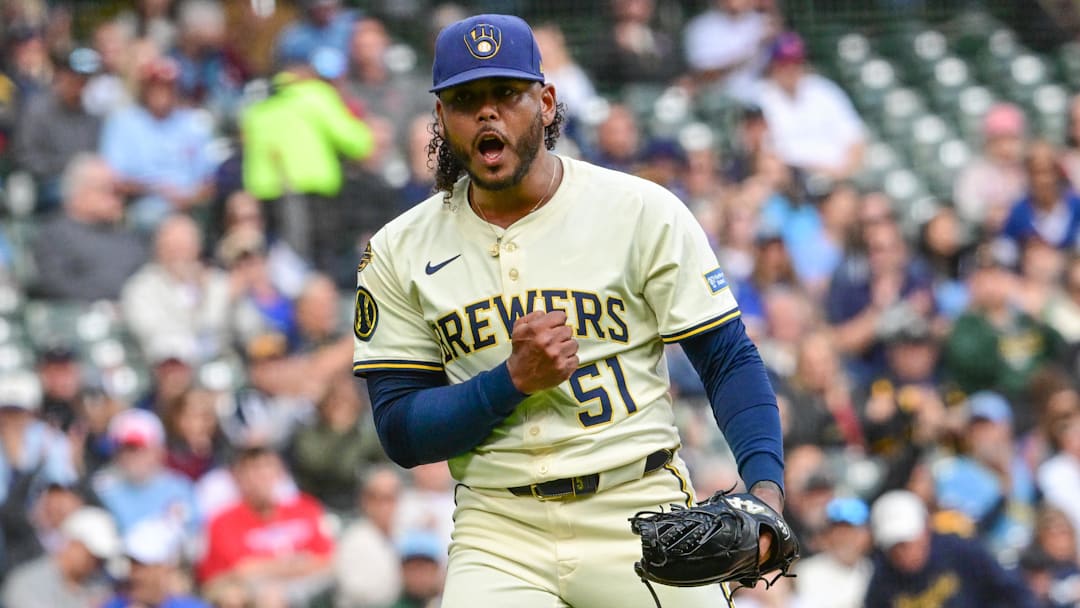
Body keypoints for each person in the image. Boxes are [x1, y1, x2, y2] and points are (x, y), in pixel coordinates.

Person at [353, 14, 785, 607]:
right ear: (441, 119)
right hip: (498, 532)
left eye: (506, 94)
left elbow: (728, 357)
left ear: (548, 102)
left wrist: (766, 491)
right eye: (464, 99)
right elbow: (400, 431)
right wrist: (509, 382)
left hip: (638, 513)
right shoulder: (398, 250)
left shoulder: (640, 211)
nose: (487, 113)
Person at [196, 445, 335, 608]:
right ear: (238, 477)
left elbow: (326, 559)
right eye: (254, 471)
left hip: (309, 583)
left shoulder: (306, 508)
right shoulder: (223, 521)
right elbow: (242, 570)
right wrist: (296, 563)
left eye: (268, 468)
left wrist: (275, 566)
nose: (262, 478)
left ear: (280, 473)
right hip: (253, 590)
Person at [864, 489, 1038, 608]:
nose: (903, 553)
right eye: (894, 546)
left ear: (925, 530)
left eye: (908, 542)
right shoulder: (881, 583)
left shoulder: (960, 551)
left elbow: (1013, 589)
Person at [32, 154, 147, 301]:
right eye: (109, 190)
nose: (119, 198)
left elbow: (146, 277)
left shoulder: (127, 236)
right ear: (79, 192)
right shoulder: (55, 235)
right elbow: (56, 286)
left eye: (120, 191)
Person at [754, 31, 866, 181]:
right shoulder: (759, 97)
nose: (790, 69)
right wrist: (817, 169)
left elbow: (856, 139)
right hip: (793, 180)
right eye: (784, 62)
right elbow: (765, 153)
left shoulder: (823, 90)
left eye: (796, 61)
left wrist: (844, 173)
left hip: (838, 178)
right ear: (773, 65)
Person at [12, 47, 102, 212]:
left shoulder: (91, 116)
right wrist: (69, 168)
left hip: (86, 186)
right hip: (45, 184)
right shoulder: (36, 109)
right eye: (74, 78)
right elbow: (24, 158)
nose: (79, 85)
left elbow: (97, 155)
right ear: (61, 75)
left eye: (84, 80)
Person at [0, 506, 121, 608]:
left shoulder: (97, 585)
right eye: (92, 555)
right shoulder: (26, 583)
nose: (96, 563)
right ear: (73, 545)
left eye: (100, 559)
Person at [101, 518, 210, 608]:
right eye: (131, 563)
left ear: (165, 568)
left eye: (142, 565)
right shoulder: (114, 604)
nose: (133, 574)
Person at [792, 497, 872, 608]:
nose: (844, 538)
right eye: (837, 531)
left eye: (850, 531)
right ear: (827, 536)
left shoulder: (874, 571)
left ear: (866, 535)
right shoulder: (806, 571)